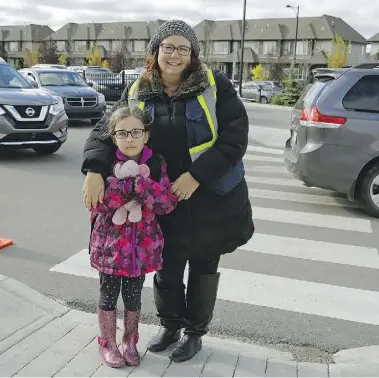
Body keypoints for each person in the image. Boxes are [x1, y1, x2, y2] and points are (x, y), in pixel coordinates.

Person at [82, 20, 254, 363]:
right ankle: (170, 325)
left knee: (204, 265)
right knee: (167, 265)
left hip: (210, 195)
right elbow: (106, 131)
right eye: (168, 47)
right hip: (161, 197)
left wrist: (196, 176)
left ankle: (194, 332)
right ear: (155, 52)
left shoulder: (214, 86)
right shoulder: (138, 90)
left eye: (183, 48)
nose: (175, 55)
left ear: (192, 55)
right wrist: (93, 171)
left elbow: (235, 138)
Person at [88, 105, 178, 368]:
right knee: (108, 294)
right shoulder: (104, 164)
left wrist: (144, 186)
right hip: (110, 245)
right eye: (122, 133)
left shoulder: (155, 164)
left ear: (146, 136)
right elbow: (98, 202)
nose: (130, 139)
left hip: (142, 246)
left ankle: (129, 340)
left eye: (136, 132)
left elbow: (166, 202)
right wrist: (129, 186)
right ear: (113, 137)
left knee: (133, 296)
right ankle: (107, 341)